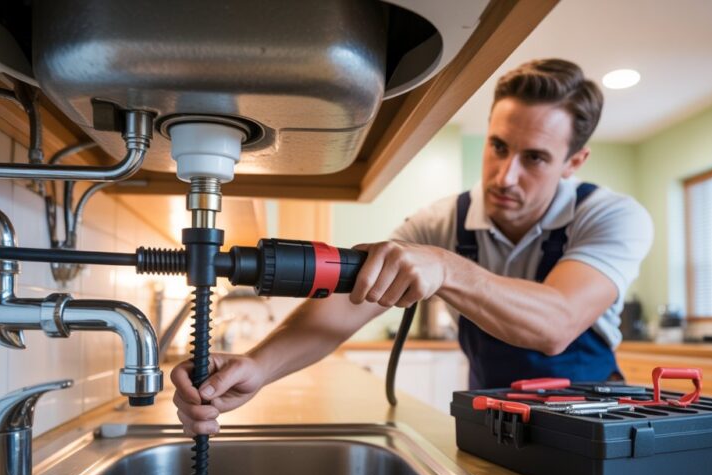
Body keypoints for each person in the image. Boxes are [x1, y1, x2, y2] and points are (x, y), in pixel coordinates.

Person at [171, 59, 654, 436]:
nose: (505, 176)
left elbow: (557, 324)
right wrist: (257, 365)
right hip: (495, 422)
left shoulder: (611, 217)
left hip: (596, 425)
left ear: (575, 161)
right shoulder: (443, 222)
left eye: (535, 158)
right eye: (499, 147)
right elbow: (342, 309)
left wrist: (446, 268)